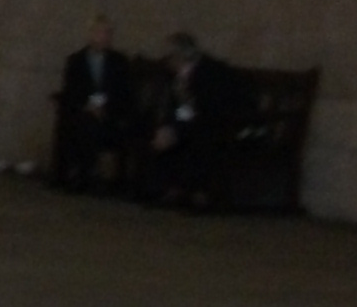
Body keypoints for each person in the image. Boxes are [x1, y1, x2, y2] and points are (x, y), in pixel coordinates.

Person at [140, 30, 246, 210]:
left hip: (215, 123)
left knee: (193, 138)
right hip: (192, 121)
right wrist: (168, 127)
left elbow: (205, 110)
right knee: (158, 133)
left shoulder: (209, 72)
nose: (167, 61)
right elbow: (179, 109)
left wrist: (176, 129)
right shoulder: (174, 75)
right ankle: (164, 189)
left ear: (180, 56)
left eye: (170, 56)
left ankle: (192, 191)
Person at [52, 15, 136, 192]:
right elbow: (71, 92)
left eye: (108, 33)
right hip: (84, 112)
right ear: (91, 35)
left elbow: (125, 93)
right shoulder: (76, 61)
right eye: (101, 32)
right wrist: (87, 106)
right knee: (82, 123)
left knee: (92, 125)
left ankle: (87, 175)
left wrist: (106, 108)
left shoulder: (119, 61)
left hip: (110, 114)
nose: (105, 37)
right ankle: (81, 174)